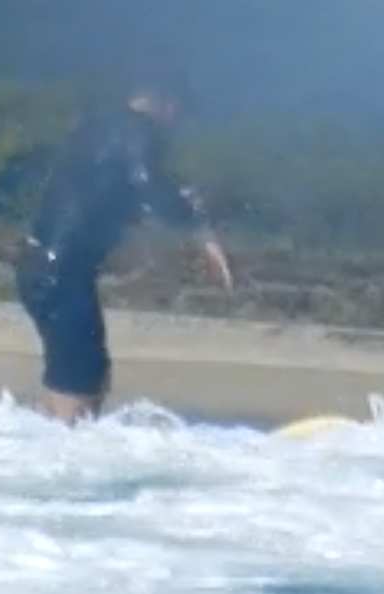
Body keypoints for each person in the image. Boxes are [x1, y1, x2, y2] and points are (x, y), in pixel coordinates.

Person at [15, 77, 234, 426]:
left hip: (40, 268)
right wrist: (200, 231)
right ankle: (57, 448)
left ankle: (31, 439)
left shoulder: (95, 128)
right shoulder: (137, 130)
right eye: (177, 112)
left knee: (79, 373)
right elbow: (147, 182)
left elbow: (109, 195)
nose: (174, 124)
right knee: (82, 377)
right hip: (61, 274)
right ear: (167, 103)